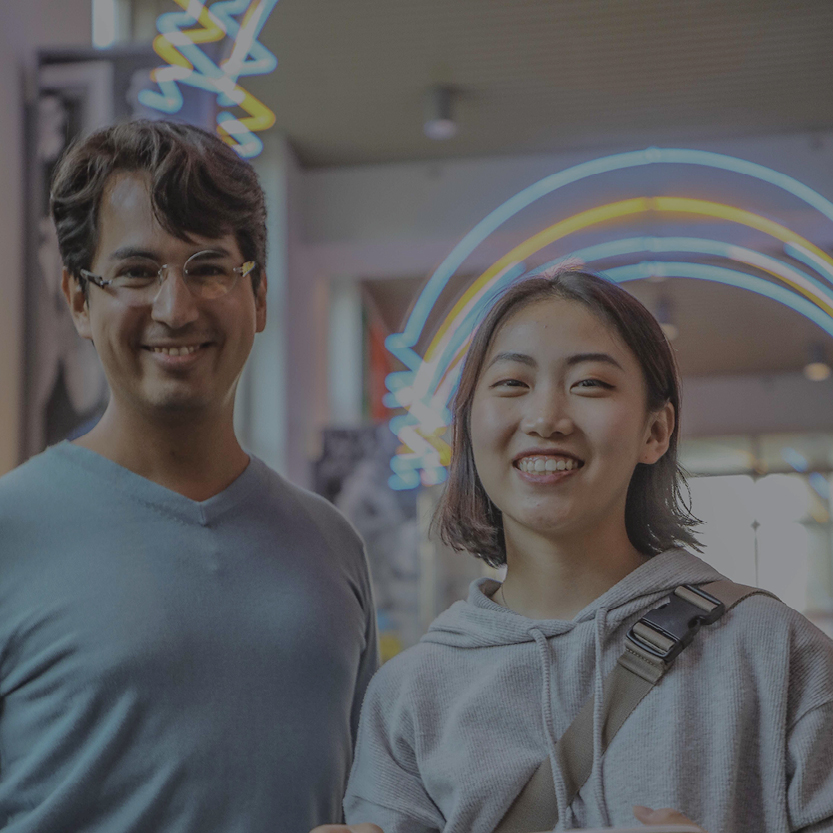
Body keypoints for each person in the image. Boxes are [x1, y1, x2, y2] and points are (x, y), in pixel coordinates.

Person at [323, 267, 833, 833]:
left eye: (590, 383)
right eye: (512, 384)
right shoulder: (410, 694)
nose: (545, 418)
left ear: (656, 432)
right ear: (467, 430)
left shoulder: (777, 653)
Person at [0, 120, 378, 832]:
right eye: (137, 273)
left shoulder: (332, 546)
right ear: (79, 299)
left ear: (259, 294)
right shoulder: (8, 533)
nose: (175, 308)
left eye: (209, 268)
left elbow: (370, 799)